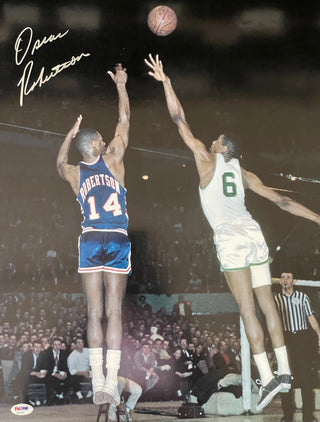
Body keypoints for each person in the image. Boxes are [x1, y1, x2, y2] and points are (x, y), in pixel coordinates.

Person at [145, 53, 320, 411]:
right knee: (267, 303)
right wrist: (318, 218)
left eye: (217, 140)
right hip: (253, 231)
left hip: (229, 236)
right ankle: (284, 370)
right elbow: (282, 203)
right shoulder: (244, 173)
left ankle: (268, 377)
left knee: (246, 308)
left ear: (224, 148)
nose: (211, 142)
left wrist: (166, 82)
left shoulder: (207, 162)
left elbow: (179, 120)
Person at [56, 63, 130, 406]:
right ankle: (112, 381)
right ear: (97, 145)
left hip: (89, 240)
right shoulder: (113, 160)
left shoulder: (74, 172)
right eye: (101, 139)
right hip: (116, 236)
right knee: (113, 311)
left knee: (93, 312)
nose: (105, 140)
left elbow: (58, 165)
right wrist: (120, 85)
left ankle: (99, 381)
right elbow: (125, 121)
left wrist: (70, 135)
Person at [275, 272, 320, 422]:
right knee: (285, 379)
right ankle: (287, 416)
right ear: (280, 281)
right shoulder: (275, 300)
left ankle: (308, 415)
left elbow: (312, 319)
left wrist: (319, 336)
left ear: (294, 281)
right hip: (284, 339)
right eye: (282, 277)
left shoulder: (302, 298)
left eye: (288, 277)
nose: (285, 280)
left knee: (306, 378)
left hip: (301, 339)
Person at [67, 337, 93, 402]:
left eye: (82, 342)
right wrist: (83, 373)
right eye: (78, 343)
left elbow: (93, 361)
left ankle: (89, 395)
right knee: (73, 378)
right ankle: (80, 396)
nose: (81, 344)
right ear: (75, 345)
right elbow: (72, 371)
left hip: (88, 372)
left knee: (98, 376)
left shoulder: (87, 351)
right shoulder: (72, 356)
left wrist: (89, 371)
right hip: (78, 374)